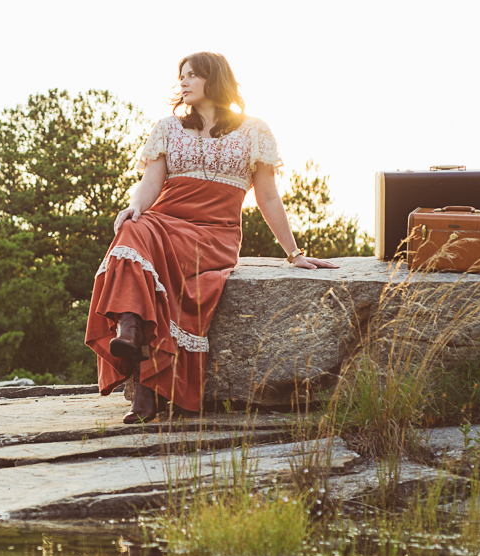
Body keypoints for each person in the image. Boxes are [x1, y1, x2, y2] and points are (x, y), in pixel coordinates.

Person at [85, 51, 338, 424]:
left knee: (150, 256)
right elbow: (151, 183)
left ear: (213, 79)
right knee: (132, 227)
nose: (183, 83)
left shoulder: (255, 130)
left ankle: (144, 382)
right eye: (181, 76)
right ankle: (131, 333)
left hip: (214, 233)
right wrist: (134, 207)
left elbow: (267, 196)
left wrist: (294, 253)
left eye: (192, 76)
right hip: (167, 219)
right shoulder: (167, 128)